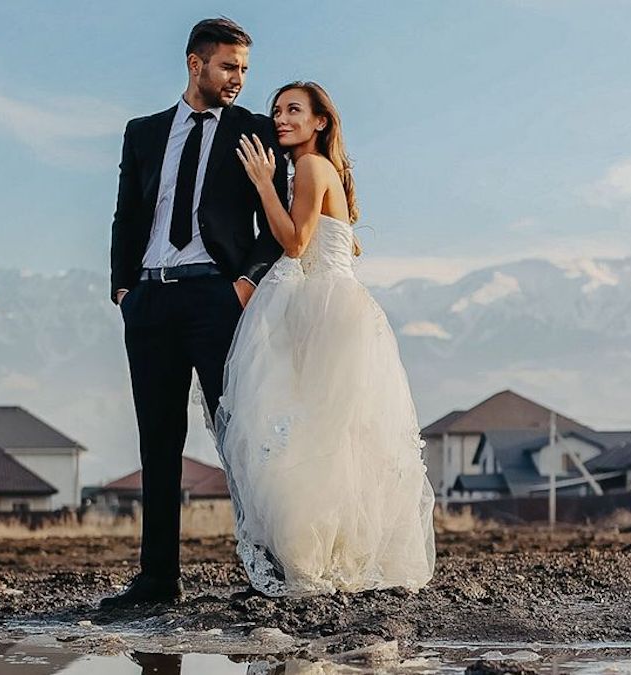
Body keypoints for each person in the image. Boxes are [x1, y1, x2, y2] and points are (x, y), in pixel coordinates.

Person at [215, 82, 436, 596]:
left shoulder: (311, 169)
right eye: (276, 111)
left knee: (321, 438)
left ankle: (322, 562)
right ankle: (327, 560)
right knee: (327, 439)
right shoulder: (311, 170)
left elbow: (295, 244)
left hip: (328, 309)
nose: (281, 118)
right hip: (321, 306)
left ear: (320, 122)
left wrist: (263, 183)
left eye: (294, 110)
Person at [103, 17, 287, 609]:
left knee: (240, 435)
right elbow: (128, 214)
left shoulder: (254, 131)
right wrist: (123, 289)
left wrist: (243, 284)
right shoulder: (143, 132)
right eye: (229, 66)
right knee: (158, 442)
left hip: (217, 299)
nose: (238, 79)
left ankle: (267, 572)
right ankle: (158, 579)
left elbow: (277, 223)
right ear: (195, 63)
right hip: (151, 300)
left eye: (244, 70)